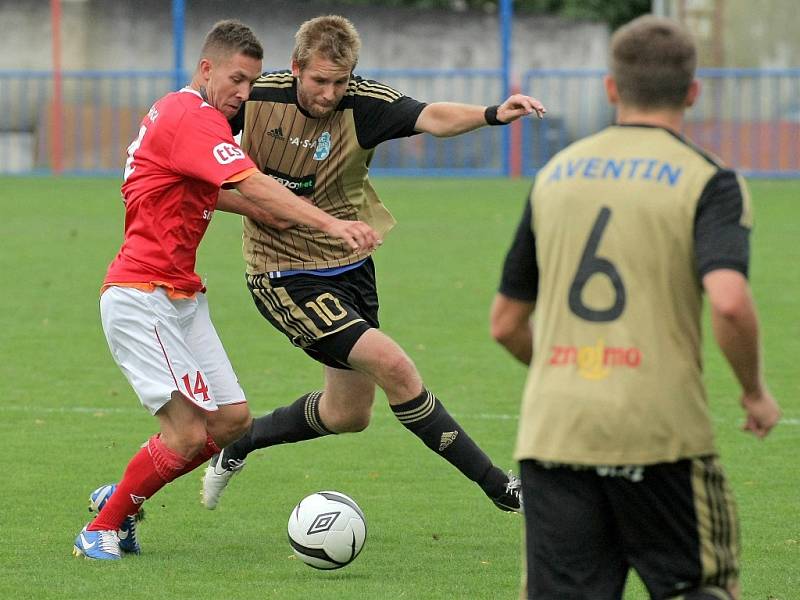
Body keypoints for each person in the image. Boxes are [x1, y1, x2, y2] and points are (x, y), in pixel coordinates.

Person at [201, 14, 546, 514]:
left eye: (340, 82)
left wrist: (494, 113)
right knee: (395, 367)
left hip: (350, 266)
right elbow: (198, 171)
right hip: (282, 274)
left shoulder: (363, 104)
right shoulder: (256, 98)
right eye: (319, 80)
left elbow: (432, 116)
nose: (329, 93)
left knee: (348, 413)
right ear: (296, 68)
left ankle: (242, 442)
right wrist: (257, 207)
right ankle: (504, 490)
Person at [489, 15, 781, 600]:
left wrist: (570, 369)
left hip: (557, 431)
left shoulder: (554, 176)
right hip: (658, 431)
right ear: (693, 92)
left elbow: (506, 324)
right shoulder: (709, 180)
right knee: (699, 586)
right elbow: (728, 300)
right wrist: (753, 390)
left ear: (611, 88)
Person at [72, 19, 380, 561]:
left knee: (233, 421)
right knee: (189, 435)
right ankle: (103, 525)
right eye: (236, 79)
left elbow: (204, 190)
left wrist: (273, 213)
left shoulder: (188, 116)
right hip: (141, 295)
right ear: (207, 67)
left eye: (252, 83)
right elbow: (247, 181)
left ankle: (122, 495)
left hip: (181, 296)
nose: (244, 93)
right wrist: (330, 224)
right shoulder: (191, 116)